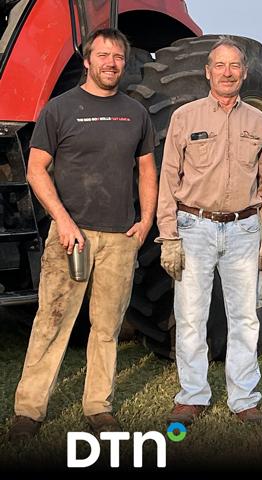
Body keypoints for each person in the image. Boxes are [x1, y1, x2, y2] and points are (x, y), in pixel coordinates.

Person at [8, 28, 157, 440]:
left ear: (124, 64)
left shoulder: (136, 113)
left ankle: (98, 406)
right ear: (88, 61)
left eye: (118, 57)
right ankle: (29, 411)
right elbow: (36, 169)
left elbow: (147, 169)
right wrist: (63, 220)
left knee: (107, 326)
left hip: (120, 239)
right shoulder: (60, 109)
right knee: (51, 322)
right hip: (69, 237)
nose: (111, 63)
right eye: (103, 55)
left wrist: (145, 221)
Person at [156, 37, 262, 425]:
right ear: (207, 72)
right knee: (191, 316)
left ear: (244, 73)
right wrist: (169, 237)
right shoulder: (186, 117)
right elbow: (167, 181)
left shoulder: (258, 122)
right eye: (220, 66)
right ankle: (192, 395)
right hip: (194, 227)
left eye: (235, 67)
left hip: (244, 229)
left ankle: (244, 399)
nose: (227, 73)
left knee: (244, 317)